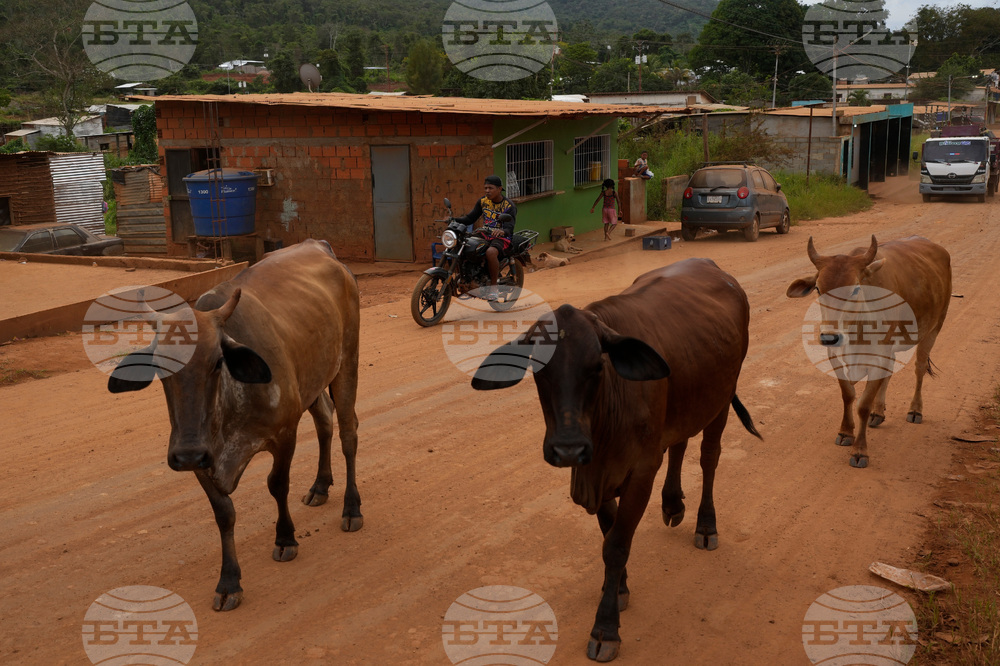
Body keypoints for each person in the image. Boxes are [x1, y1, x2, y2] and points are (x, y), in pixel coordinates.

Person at [455, 174, 517, 301]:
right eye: (486, 188)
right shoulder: (483, 201)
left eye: (490, 188)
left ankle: (494, 288)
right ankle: (467, 277)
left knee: (491, 252)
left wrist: (502, 231)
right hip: (485, 233)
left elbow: (509, 228)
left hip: (502, 237)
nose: (487, 191)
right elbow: (470, 218)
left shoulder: (509, 206)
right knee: (463, 245)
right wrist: (454, 220)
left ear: (499, 189)